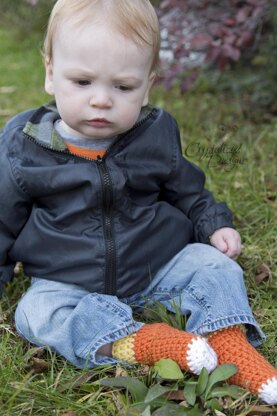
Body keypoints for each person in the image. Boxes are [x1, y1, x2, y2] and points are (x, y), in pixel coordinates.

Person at [0, 0, 276, 405]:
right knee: (35, 313)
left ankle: (229, 342)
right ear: (50, 74)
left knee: (215, 266)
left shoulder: (155, 133)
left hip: (157, 265)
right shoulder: (25, 148)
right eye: (82, 82)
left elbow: (187, 189)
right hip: (68, 280)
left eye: (123, 87)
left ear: (147, 85)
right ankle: (140, 343)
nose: (101, 100)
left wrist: (213, 223)